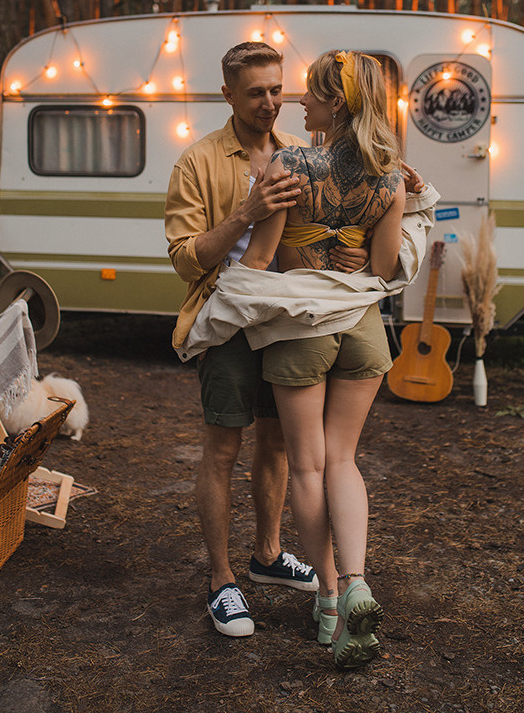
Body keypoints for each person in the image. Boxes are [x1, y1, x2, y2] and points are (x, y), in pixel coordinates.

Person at [165, 42, 381, 639]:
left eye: (277, 89)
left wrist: (355, 241)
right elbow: (186, 261)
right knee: (222, 449)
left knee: (281, 447)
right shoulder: (198, 163)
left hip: (290, 323)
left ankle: (266, 556)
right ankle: (221, 579)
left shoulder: (304, 153)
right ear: (228, 94)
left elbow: (336, 223)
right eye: (255, 92)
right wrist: (245, 212)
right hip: (230, 317)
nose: (270, 102)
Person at [235, 50, 407, 669]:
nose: (298, 104)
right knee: (344, 460)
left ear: (336, 104)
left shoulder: (292, 163)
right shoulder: (390, 177)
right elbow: (384, 271)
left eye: (309, 95)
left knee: (306, 467)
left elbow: (260, 260)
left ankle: (330, 601)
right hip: (361, 328)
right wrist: (354, 252)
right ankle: (359, 579)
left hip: (302, 325)